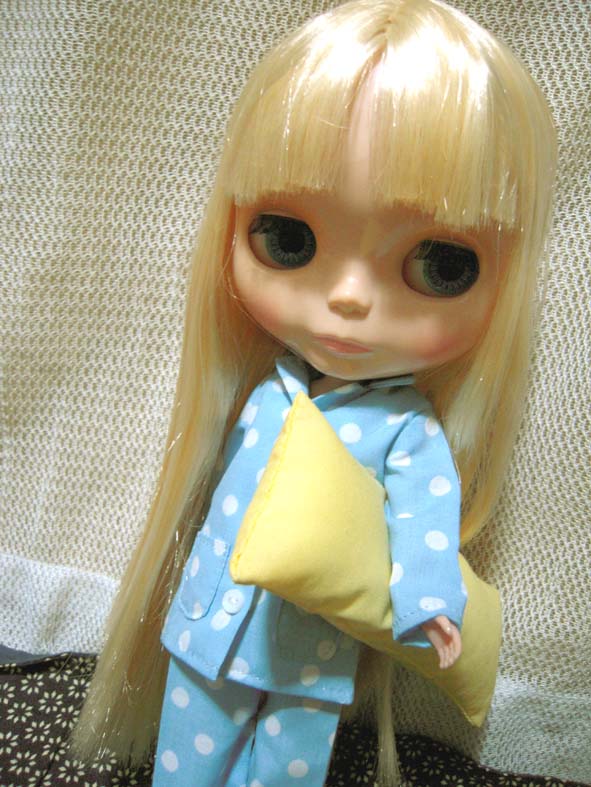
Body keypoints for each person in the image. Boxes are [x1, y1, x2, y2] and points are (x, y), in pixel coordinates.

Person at [71, 1, 556, 785]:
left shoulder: (403, 430)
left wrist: (430, 603)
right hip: (207, 623)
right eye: (289, 239)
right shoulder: (263, 390)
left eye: (440, 264)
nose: (349, 298)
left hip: (310, 653)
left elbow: (422, 523)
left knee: (285, 771)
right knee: (185, 764)